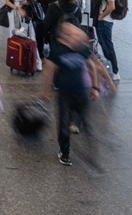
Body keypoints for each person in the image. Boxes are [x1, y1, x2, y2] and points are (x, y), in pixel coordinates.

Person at [42, 22, 115, 166]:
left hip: (82, 93)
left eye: (77, 35)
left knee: (88, 124)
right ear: (64, 36)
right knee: (63, 124)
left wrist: (95, 87)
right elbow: (49, 70)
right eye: (73, 35)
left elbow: (93, 66)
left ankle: (93, 154)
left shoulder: (81, 48)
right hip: (64, 94)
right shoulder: (57, 50)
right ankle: (65, 153)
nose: (77, 38)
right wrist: (45, 91)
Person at [89, 0, 121, 82]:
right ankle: (109, 69)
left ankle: (116, 71)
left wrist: (102, 16)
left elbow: (111, 6)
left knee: (108, 46)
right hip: (100, 20)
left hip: (105, 21)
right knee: (103, 44)